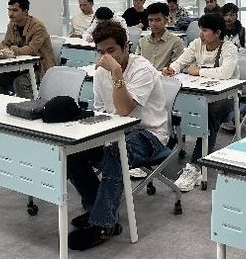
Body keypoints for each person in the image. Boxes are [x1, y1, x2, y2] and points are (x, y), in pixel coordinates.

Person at [66, 20, 171, 251]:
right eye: (101, 52)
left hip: (149, 135)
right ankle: (97, 209)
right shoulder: (100, 73)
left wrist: (115, 71)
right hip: (114, 132)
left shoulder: (142, 69)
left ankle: (103, 224)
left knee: (116, 152)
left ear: (126, 47)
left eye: (111, 50)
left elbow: (124, 109)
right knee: (73, 151)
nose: (106, 57)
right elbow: (102, 111)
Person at [163, 13, 238, 192]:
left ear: (217, 33)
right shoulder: (197, 44)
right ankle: (162, 152)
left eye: (205, 30)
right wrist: (171, 69)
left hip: (225, 97)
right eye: (201, 30)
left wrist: (199, 71)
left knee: (208, 113)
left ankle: (195, 166)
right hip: (200, 93)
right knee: (172, 106)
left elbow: (225, 73)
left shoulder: (229, 48)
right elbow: (181, 61)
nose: (201, 34)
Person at [0, 0, 55, 98]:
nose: (10, 14)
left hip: (40, 68)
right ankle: (6, 104)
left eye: (15, 10)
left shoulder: (38, 27)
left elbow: (31, 49)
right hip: (21, 66)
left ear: (25, 11)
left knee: (20, 82)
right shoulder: (12, 25)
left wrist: (10, 51)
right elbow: (6, 43)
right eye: (9, 10)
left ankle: (27, 107)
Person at [136, 2, 184, 71]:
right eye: (150, 20)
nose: (153, 24)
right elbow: (136, 64)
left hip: (165, 76)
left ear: (166, 20)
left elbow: (178, 67)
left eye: (158, 20)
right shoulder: (142, 42)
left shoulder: (175, 42)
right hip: (144, 76)